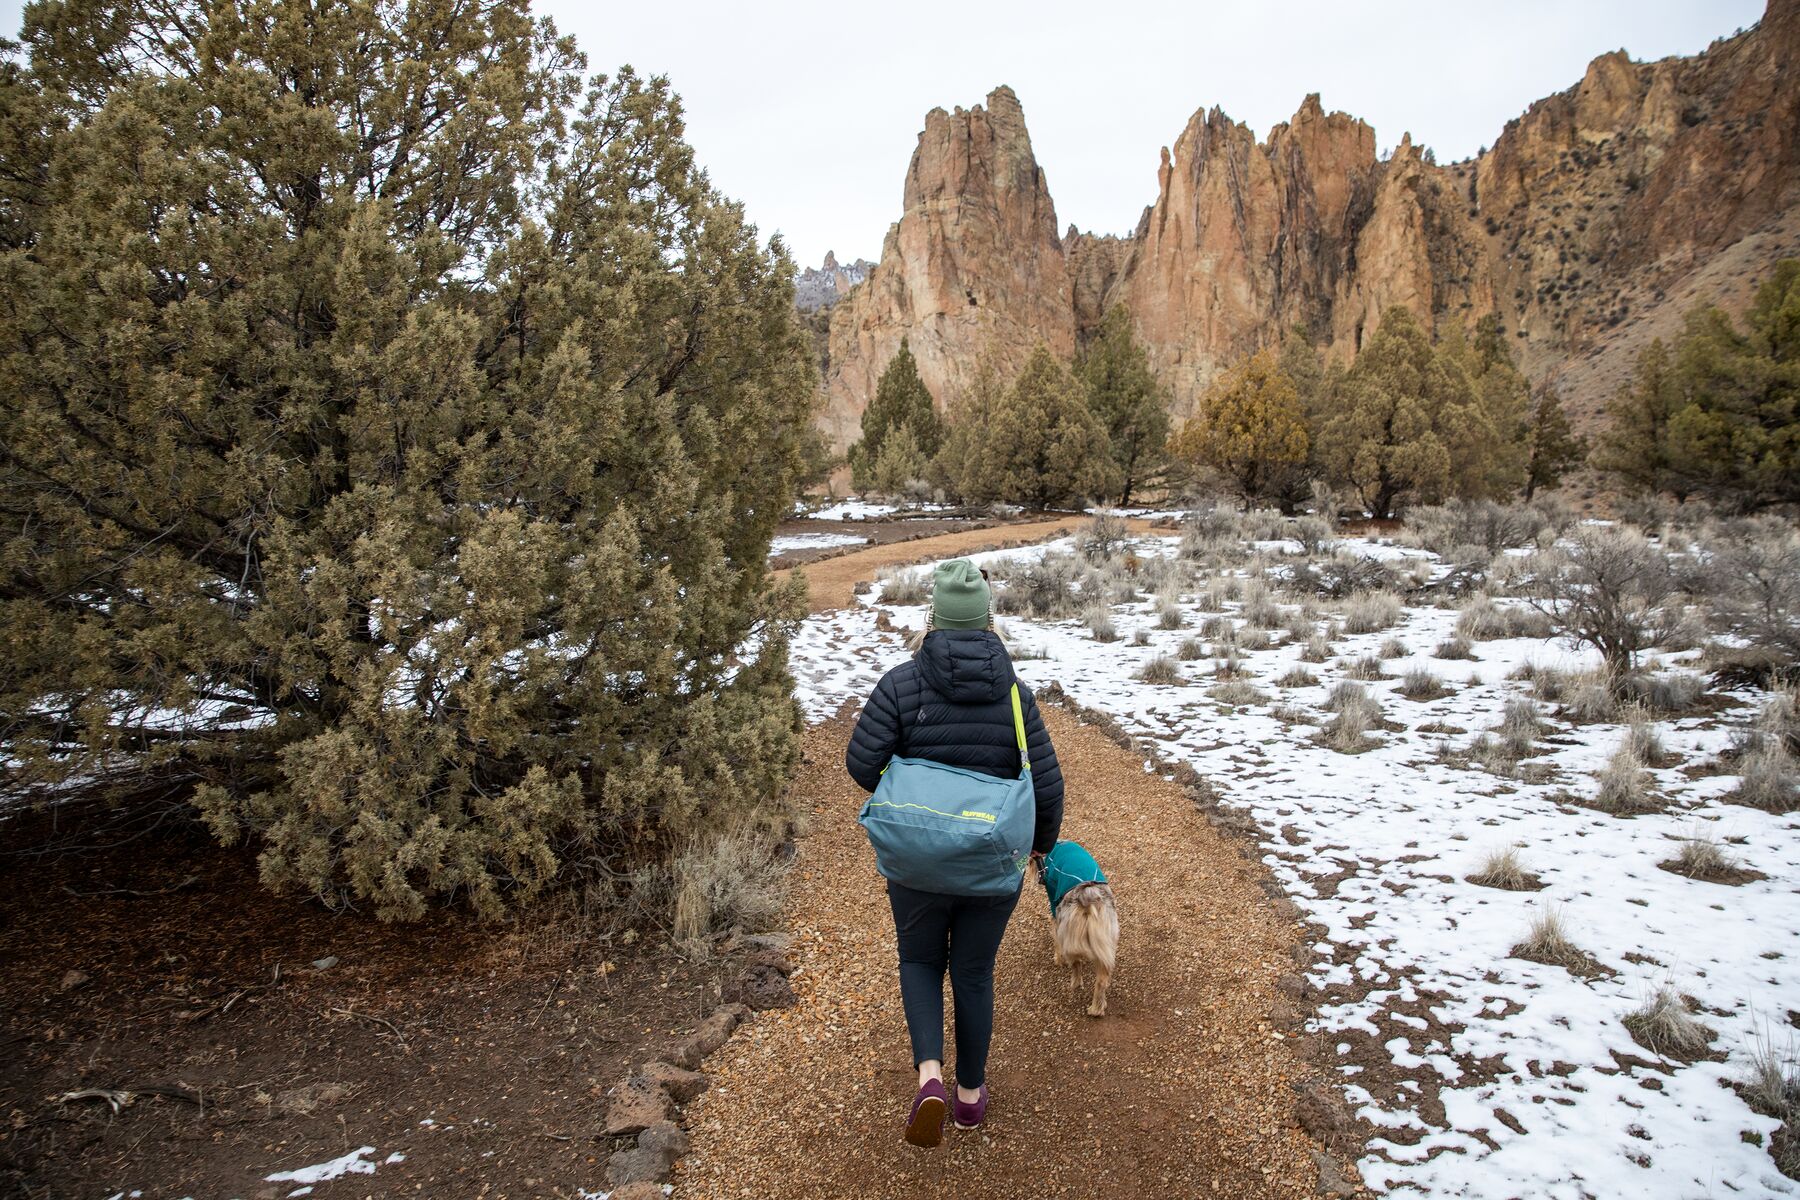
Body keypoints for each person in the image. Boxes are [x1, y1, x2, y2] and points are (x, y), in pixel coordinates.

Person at [845, 559, 1064, 1147]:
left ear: (933, 619)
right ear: (988, 622)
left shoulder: (900, 684)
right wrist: (1036, 851)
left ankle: (929, 1078)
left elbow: (861, 764)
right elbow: (1046, 786)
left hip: (915, 863)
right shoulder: (1016, 696)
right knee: (972, 970)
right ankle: (969, 1099)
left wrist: (914, 798)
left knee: (919, 961)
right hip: (991, 868)